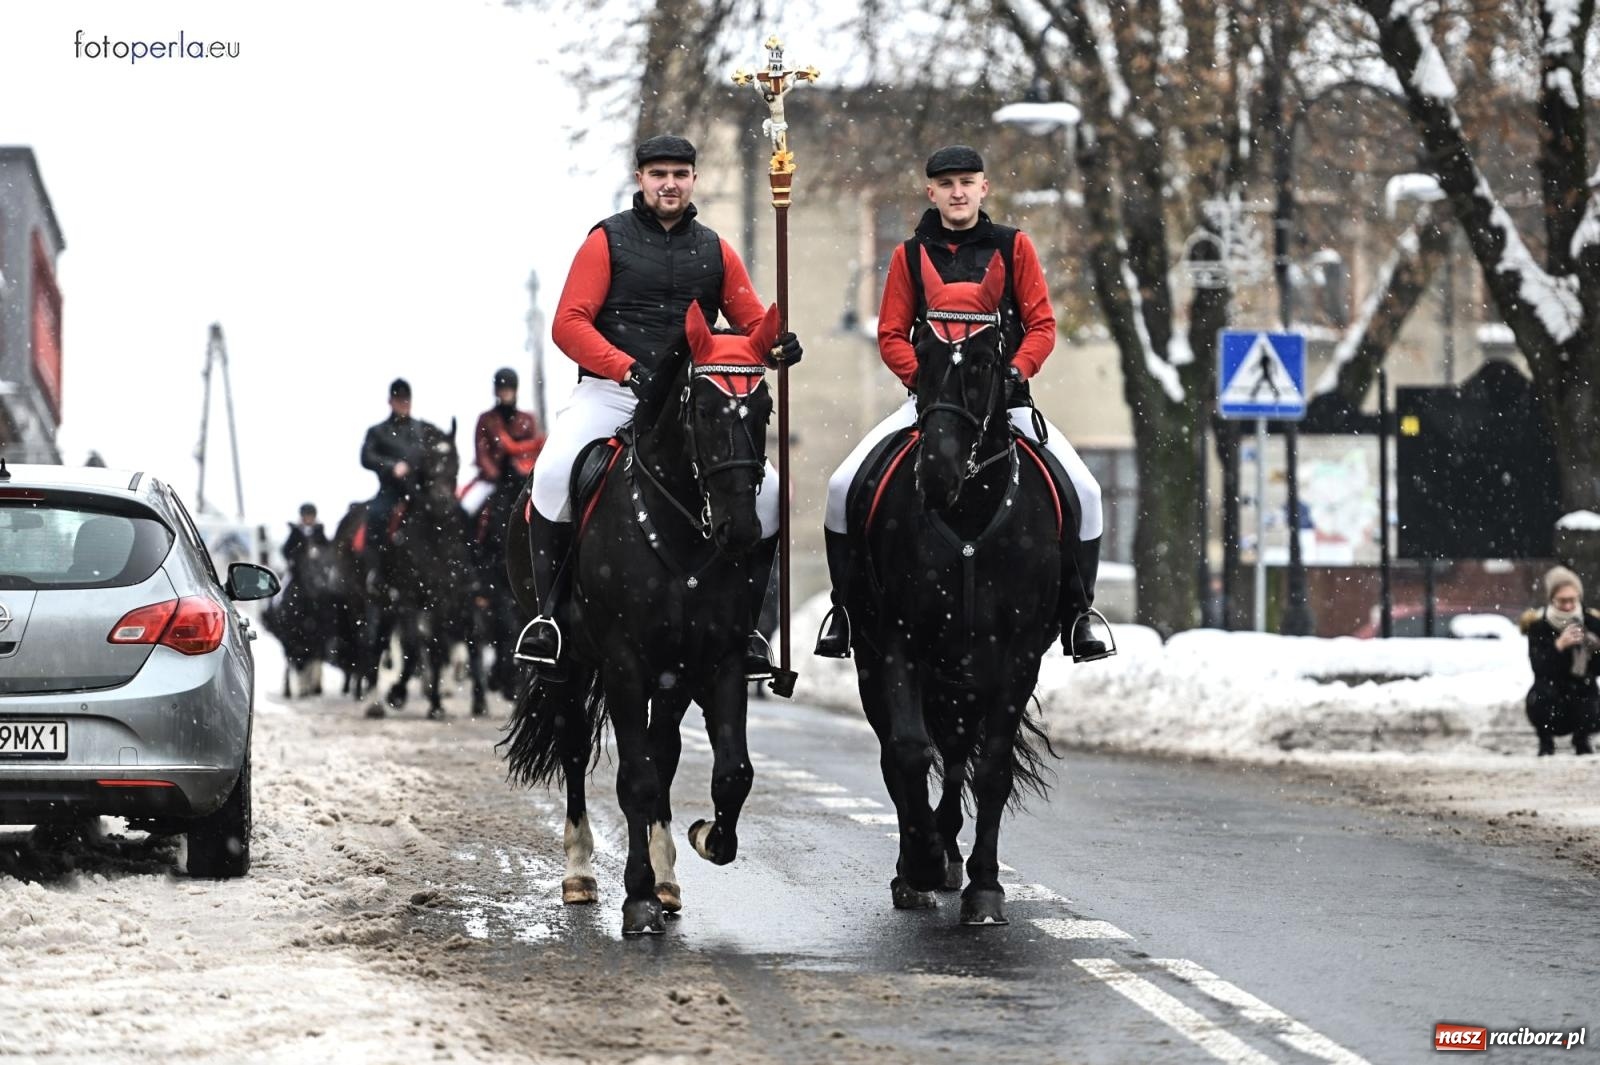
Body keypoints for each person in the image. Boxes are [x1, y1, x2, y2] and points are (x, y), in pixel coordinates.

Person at [518, 134, 803, 680]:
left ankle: (745, 627)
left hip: (693, 404)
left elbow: (751, 326)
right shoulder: (606, 241)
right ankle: (550, 620)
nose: (668, 182)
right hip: (612, 391)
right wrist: (626, 367)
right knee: (553, 475)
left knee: (767, 497)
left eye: (679, 172)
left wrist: (777, 346)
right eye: (657, 173)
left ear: (693, 179)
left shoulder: (716, 249)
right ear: (640, 180)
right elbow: (568, 323)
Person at [814, 145, 1109, 662]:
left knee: (1085, 491)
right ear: (931, 192)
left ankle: (1079, 613)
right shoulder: (909, 254)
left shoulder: (1013, 246)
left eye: (967, 182)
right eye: (947, 183)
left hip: (1006, 403)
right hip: (933, 406)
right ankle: (846, 609)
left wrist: (1015, 371)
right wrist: (928, 386)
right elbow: (891, 334)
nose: (957, 192)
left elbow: (1041, 326)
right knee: (842, 487)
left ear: (983, 188)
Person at [1521, 565, 1600, 756]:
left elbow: (1596, 670)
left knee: (1589, 697)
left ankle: (1582, 739)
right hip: (1550, 691)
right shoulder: (1539, 626)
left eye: (1572, 600)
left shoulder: (1591, 623)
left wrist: (1594, 648)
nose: (1568, 606)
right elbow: (1538, 666)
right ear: (1551, 600)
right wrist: (1559, 646)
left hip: (1581, 689)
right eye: (1562, 601)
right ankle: (1545, 741)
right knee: (1539, 697)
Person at [359, 378, 428, 587]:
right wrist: (391, 466)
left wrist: (414, 467)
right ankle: (376, 572)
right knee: (377, 515)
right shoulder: (378, 431)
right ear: (391, 401)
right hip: (391, 491)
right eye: (399, 400)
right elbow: (366, 457)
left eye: (406, 400)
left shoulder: (422, 429)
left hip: (419, 490)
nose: (403, 404)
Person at [463, 367, 544, 517]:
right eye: (502, 388)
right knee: (467, 508)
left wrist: (524, 471)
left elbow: (533, 451)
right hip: (493, 480)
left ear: (515, 390)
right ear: (496, 391)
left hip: (522, 478)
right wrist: (495, 474)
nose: (505, 392)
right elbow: (481, 452)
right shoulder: (486, 419)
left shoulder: (527, 419)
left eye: (509, 388)